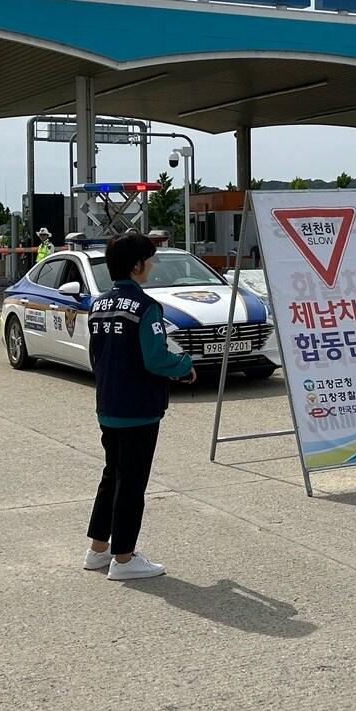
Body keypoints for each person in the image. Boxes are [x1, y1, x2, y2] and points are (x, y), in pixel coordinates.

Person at [84, 232, 196, 580]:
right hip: (139, 409)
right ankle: (125, 558)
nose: (152, 264)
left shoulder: (98, 305)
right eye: (149, 259)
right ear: (136, 266)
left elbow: (96, 355)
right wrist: (185, 366)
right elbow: (156, 358)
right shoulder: (147, 307)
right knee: (132, 483)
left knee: (112, 476)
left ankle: (98, 549)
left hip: (108, 404)